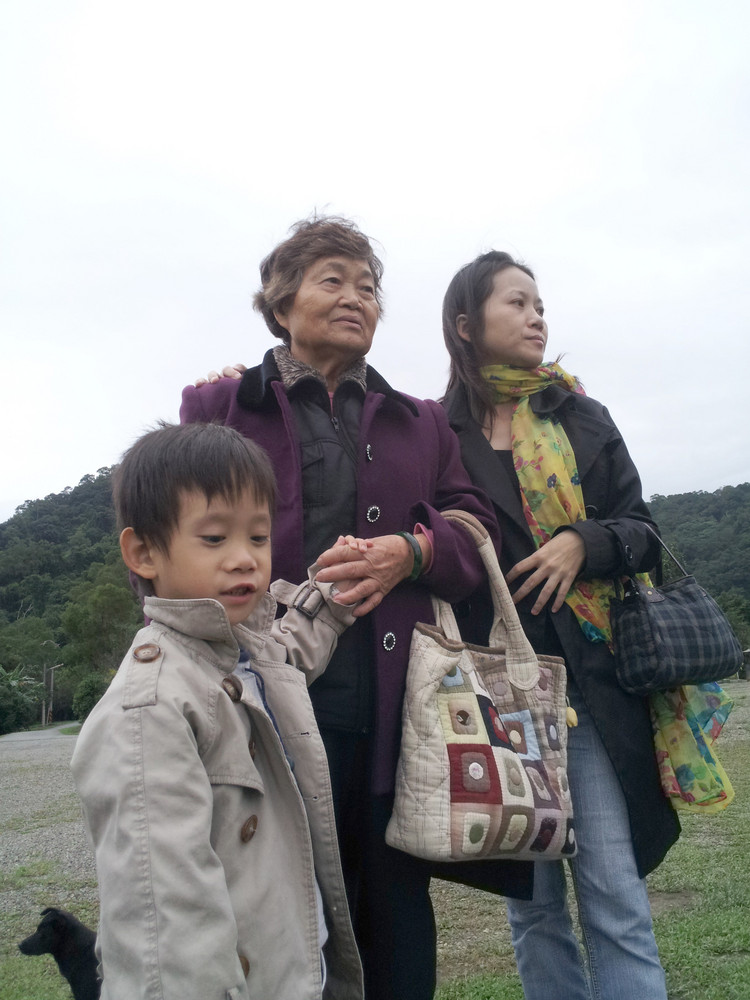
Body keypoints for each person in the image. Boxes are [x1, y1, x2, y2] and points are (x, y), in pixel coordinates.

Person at [180, 217, 531, 999]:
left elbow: (476, 534)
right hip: (267, 710)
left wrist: (413, 551)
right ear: (282, 305)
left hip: (399, 716)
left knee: (397, 923)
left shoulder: (421, 420)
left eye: (368, 287)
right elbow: (176, 546)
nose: (356, 298)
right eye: (332, 281)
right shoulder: (220, 404)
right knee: (280, 921)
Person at [441, 251, 681, 1000]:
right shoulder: (435, 433)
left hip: (589, 692)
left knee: (615, 896)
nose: (536, 316)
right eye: (516, 302)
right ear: (466, 325)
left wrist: (585, 541)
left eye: (540, 304)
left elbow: (644, 531)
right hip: (490, 699)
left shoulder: (580, 416)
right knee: (534, 909)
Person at [70, 421, 366, 1000]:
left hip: (297, 970)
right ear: (144, 552)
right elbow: (165, 927)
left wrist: (332, 591)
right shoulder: (149, 709)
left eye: (258, 537)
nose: (245, 559)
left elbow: (291, 651)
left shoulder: (244, 650)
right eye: (214, 538)